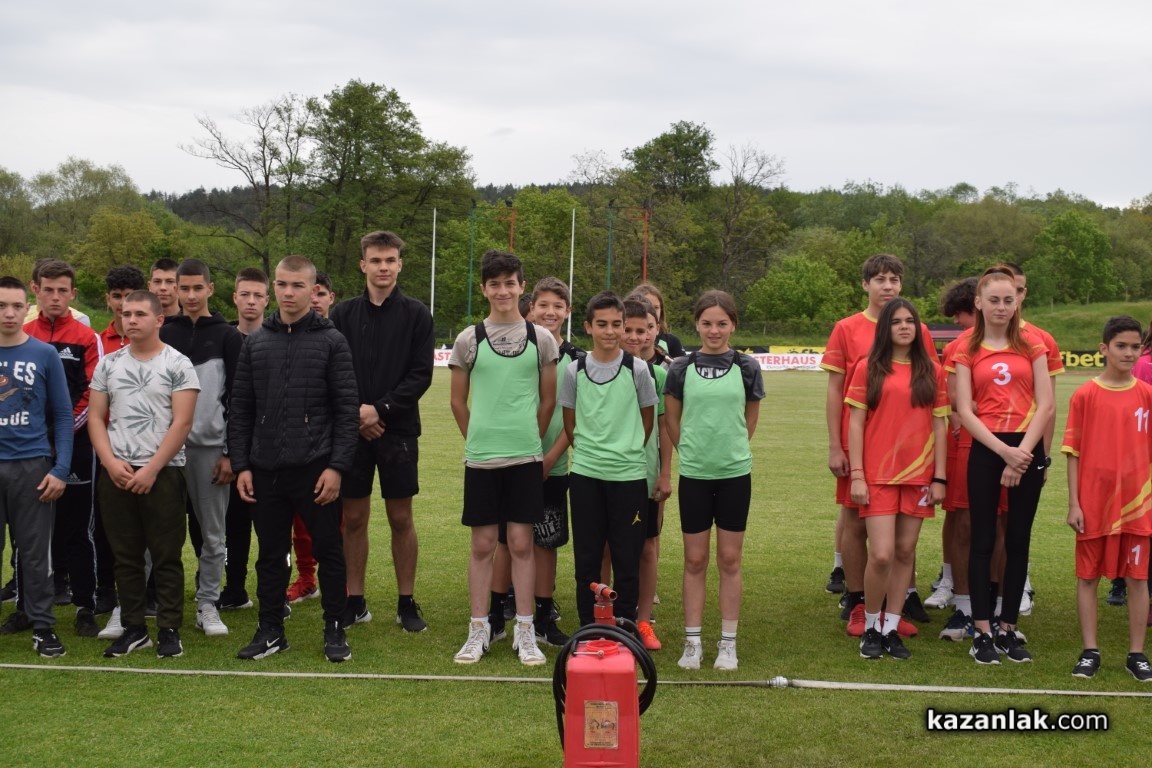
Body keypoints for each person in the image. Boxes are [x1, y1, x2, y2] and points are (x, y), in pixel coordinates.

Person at [229, 256, 359, 663]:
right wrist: (242, 465)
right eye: (282, 284)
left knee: (329, 551)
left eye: (297, 286)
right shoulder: (256, 342)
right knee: (270, 555)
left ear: (313, 290)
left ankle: (335, 627)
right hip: (265, 469)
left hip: (316, 467)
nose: (289, 292)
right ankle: (270, 630)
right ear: (274, 287)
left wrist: (336, 467)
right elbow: (241, 409)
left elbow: (346, 411)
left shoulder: (332, 341)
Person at [449, 250, 556, 666]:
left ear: (521, 286)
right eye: (494, 284)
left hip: (524, 458)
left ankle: (525, 631)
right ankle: (478, 629)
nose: (503, 290)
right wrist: (479, 438)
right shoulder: (469, 339)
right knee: (482, 544)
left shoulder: (540, 339)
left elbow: (548, 401)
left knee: (521, 543)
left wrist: (527, 438)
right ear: (484, 289)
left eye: (510, 283)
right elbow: (458, 402)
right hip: (482, 460)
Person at [820, 254, 934, 635]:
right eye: (880, 279)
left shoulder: (917, 327)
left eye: (894, 279)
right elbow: (835, 390)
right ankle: (858, 601)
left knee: (902, 531)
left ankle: (895, 605)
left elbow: (926, 384)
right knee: (856, 521)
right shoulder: (847, 328)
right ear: (865, 284)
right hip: (859, 445)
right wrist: (836, 446)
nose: (888, 286)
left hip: (906, 452)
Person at [330, 232, 434, 632]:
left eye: (390, 260)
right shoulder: (342, 314)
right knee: (354, 517)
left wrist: (381, 410)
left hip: (399, 430)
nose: (383, 267)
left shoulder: (416, 314)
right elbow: (333, 371)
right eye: (376, 260)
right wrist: (358, 412)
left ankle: (406, 602)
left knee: (400, 517)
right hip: (352, 430)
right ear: (363, 265)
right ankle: (354, 600)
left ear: (400, 264)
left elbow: (420, 375)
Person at [88, 290, 199, 658]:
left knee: (166, 556)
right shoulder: (109, 364)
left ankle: (169, 629)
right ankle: (134, 628)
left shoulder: (178, 363)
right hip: (117, 472)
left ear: (159, 319)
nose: (131, 320)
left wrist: (151, 469)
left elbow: (182, 423)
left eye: (139, 314)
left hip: (164, 473)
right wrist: (109, 462)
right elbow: (95, 418)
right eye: (126, 313)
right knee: (125, 556)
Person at [953, 267, 1053, 665]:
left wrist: (1021, 454)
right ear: (978, 302)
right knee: (982, 540)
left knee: (1017, 540)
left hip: (1026, 448)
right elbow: (964, 410)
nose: (1001, 307)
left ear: (1018, 302)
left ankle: (1008, 628)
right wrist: (1003, 452)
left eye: (1008, 300)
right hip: (986, 448)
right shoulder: (966, 348)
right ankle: (982, 630)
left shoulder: (1033, 345)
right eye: (993, 300)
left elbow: (1046, 405)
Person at [665, 291, 763, 670]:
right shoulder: (680, 368)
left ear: (733, 325)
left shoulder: (747, 367)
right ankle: (692, 643)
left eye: (722, 323)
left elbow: (749, 418)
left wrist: (730, 449)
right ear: (697, 324)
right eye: (707, 323)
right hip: (694, 475)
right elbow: (672, 419)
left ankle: (727, 643)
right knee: (694, 559)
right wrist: (691, 451)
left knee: (729, 559)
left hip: (734, 475)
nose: (714, 330)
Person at [846, 298, 948, 660]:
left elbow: (939, 424)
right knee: (882, 554)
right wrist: (857, 475)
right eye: (896, 321)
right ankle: (871, 626)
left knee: (905, 551)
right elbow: (855, 424)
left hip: (919, 476)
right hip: (877, 475)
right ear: (885, 328)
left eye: (910, 321)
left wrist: (940, 478)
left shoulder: (932, 371)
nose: (904, 327)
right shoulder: (868, 368)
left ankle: (890, 627)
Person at [489, 277, 580, 647]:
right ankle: (495, 615)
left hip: (552, 465)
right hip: (511, 461)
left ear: (568, 311)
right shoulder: (517, 349)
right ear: (530, 309)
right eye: (543, 305)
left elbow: (575, 419)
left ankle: (543, 616)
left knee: (546, 541)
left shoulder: (577, 361)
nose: (550, 312)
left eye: (558, 306)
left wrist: (551, 456)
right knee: (506, 541)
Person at [1063, 315, 1152, 681]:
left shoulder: (1147, 395)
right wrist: (1074, 503)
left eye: (1135, 347)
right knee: (1088, 578)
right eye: (1121, 346)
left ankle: (1137, 654)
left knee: (1137, 579)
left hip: (1138, 505)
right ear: (1104, 349)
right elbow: (1073, 453)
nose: (1129, 353)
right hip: (1094, 504)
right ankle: (1090, 651)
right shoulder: (1085, 395)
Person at [159, 259, 243, 638]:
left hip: (210, 451)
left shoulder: (228, 337)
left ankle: (208, 603)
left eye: (198, 288)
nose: (191, 295)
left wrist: (230, 453)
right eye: (184, 288)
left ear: (210, 288)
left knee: (212, 534)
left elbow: (239, 399)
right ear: (176, 290)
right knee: (160, 531)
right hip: (166, 451)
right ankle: (152, 601)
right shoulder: (164, 333)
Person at [23, 260, 104, 639]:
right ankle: (27, 606)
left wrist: (61, 434)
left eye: (62, 291)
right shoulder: (23, 334)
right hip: (31, 448)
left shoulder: (87, 338)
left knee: (77, 530)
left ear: (73, 294)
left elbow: (93, 392)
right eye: (48, 289)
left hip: (77, 447)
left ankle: (85, 606)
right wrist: (37, 435)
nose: (55, 297)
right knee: (30, 532)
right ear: (35, 290)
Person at [0, 275, 73, 658]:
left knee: (34, 553)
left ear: (27, 307)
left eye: (16, 306)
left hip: (32, 467)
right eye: (1, 306)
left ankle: (42, 626)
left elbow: (62, 414)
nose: (9, 313)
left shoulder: (44, 354)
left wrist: (60, 469)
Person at [621, 295, 673, 652]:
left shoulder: (659, 375)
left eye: (641, 331)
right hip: (609, 474)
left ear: (651, 333)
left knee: (647, 547)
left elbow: (665, 428)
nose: (634, 337)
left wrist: (665, 472)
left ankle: (643, 619)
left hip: (645, 474)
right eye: (628, 329)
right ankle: (607, 617)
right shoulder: (600, 369)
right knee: (607, 547)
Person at [217, 267, 269, 611]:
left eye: (257, 295)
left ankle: (272, 593)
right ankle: (234, 588)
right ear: (235, 297)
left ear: (267, 300)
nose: (251, 301)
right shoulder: (223, 340)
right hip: (233, 450)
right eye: (245, 294)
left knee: (271, 528)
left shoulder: (278, 339)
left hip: (269, 451)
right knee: (233, 524)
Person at [284, 270, 336, 605]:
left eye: (321, 293)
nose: (315, 300)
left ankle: (339, 581)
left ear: (331, 297)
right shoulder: (287, 335)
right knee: (298, 520)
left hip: (334, 442)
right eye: (311, 293)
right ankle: (306, 578)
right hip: (297, 444)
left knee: (338, 519)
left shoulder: (339, 338)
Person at [631, 282, 684, 358]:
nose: (651, 310)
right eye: (646, 305)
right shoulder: (625, 340)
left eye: (656, 307)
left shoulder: (672, 342)